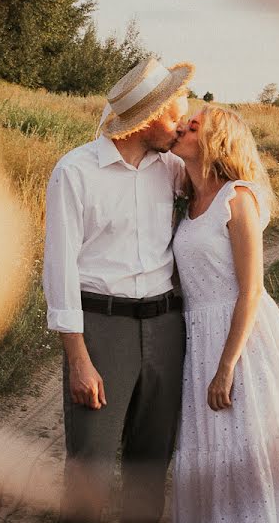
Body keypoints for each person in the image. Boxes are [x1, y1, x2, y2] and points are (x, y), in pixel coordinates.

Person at [42, 57, 193, 522]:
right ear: (145, 120)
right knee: (91, 467)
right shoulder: (75, 172)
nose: (182, 123)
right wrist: (79, 359)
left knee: (150, 467)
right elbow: (60, 269)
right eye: (174, 115)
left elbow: (232, 188)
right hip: (102, 330)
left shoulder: (171, 168)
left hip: (166, 327)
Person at [169, 105, 279, 521]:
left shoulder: (238, 197)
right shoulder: (186, 198)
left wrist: (226, 366)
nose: (181, 127)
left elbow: (251, 289)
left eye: (193, 126)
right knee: (210, 450)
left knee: (246, 448)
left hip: (242, 342)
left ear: (215, 139)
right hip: (199, 337)